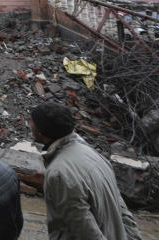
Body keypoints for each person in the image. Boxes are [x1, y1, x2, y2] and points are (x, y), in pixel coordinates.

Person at [30, 101, 142, 240]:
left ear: (41, 132)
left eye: (32, 122)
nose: (30, 125)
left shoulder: (59, 173)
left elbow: (85, 230)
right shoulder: (93, 154)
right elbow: (123, 211)